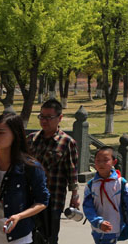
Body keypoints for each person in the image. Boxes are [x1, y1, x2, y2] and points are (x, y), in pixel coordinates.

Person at [27, 99, 79, 244]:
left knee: (48, 238)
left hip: (53, 199)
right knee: (28, 238)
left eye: (49, 117)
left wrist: (75, 196)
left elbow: (72, 172)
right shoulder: (31, 139)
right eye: (42, 116)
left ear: (60, 118)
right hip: (29, 199)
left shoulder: (67, 142)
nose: (44, 121)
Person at [0, 113, 50, 244]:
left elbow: (42, 201)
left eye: (1, 133)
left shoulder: (30, 167)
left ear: (15, 134)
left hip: (17, 235)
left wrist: (19, 216)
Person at [83, 146, 128, 244]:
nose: (101, 163)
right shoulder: (91, 185)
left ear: (114, 162)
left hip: (114, 228)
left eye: (106, 160)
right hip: (97, 228)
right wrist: (98, 222)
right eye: (98, 160)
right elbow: (88, 207)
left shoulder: (121, 183)